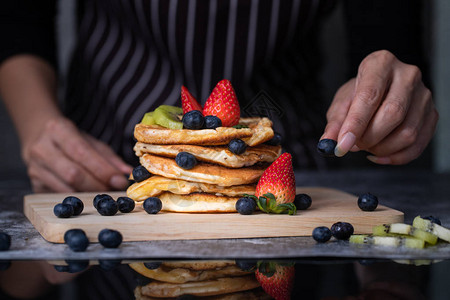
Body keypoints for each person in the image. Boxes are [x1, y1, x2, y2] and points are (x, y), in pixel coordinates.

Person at [0, 0, 438, 298]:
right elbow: (19, 20)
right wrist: (39, 124)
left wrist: (384, 94)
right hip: (103, 156)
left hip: (287, 167)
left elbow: (388, 29)